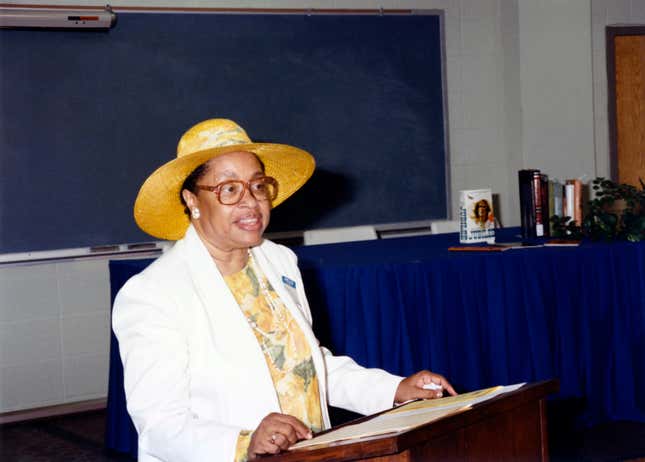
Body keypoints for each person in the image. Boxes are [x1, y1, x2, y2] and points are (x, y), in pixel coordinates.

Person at [112, 118, 456, 462]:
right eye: (229, 189)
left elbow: (307, 366)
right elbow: (159, 426)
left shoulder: (278, 261)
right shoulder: (153, 293)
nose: (251, 202)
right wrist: (244, 443)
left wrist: (393, 389)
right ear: (192, 200)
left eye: (258, 186)